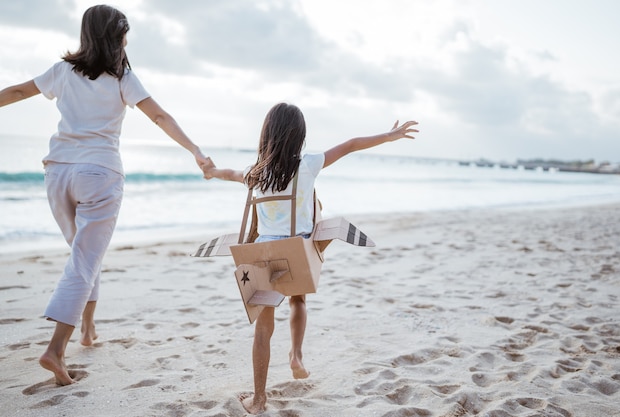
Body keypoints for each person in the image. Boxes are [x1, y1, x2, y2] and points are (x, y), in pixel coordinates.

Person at [0, 5, 212, 386]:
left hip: (58, 172)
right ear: (115, 37)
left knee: (83, 254)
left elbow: (17, 91)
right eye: (124, 34)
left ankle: (88, 329)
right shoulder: (121, 77)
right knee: (85, 259)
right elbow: (160, 116)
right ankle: (55, 350)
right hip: (99, 174)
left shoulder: (62, 71)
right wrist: (195, 151)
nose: (127, 40)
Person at [202, 102, 418, 414]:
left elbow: (230, 173)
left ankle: (259, 399)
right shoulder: (308, 164)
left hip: (262, 255)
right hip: (295, 251)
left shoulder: (255, 173)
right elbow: (351, 145)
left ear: (266, 135)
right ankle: (296, 355)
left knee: (263, 328)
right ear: (299, 137)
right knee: (298, 301)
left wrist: (211, 172)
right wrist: (389, 135)